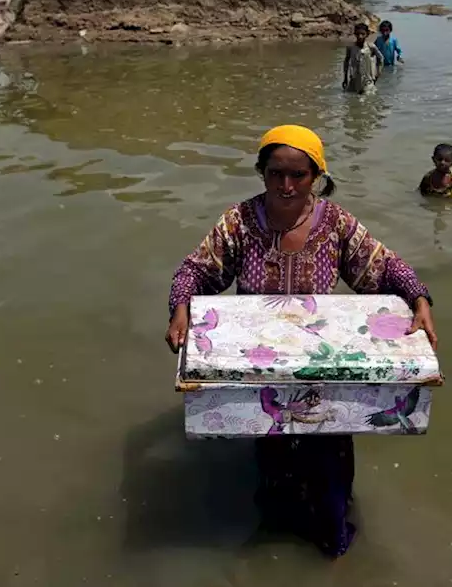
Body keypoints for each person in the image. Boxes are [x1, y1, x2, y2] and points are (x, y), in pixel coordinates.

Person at [165, 125, 436, 558]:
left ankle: (332, 537)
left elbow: (383, 268)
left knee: (330, 455)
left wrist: (418, 297)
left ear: (316, 177)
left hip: (322, 364)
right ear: (261, 172)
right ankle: (275, 531)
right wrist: (181, 306)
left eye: (299, 176)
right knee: (273, 457)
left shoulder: (335, 224)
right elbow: (195, 271)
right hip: (261, 366)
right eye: (275, 174)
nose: (286, 186)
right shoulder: (238, 223)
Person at [342, 23, 383, 94]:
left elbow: (381, 58)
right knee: (349, 98)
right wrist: (345, 78)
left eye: (362, 34)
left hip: (367, 80)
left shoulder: (371, 47)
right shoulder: (351, 47)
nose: (360, 36)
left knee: (368, 100)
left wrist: (377, 73)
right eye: (357, 34)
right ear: (354, 34)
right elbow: (346, 61)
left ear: (367, 34)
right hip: (353, 80)